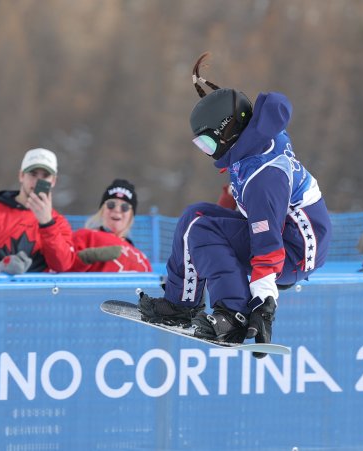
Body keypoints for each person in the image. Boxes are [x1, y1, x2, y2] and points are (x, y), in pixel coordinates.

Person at [139, 53, 332, 357]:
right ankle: (180, 304)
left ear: (228, 131)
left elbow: (267, 241)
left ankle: (233, 314)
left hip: (294, 249)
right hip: (283, 235)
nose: (209, 153)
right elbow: (242, 199)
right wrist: (220, 229)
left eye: (209, 144)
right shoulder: (251, 145)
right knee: (195, 217)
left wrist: (263, 303)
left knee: (202, 230)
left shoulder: (263, 176)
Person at [0, 148, 76, 274]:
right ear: (21, 176)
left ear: (53, 181)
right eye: (33, 174)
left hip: (38, 292)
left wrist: (47, 223)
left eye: (45, 176)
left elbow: (62, 265)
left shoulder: (59, 222)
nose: (37, 182)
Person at [69, 179, 152, 272]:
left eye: (124, 207)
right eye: (111, 204)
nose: (117, 210)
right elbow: (61, 265)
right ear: (102, 209)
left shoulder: (141, 258)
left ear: (131, 215)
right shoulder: (85, 237)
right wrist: (83, 259)